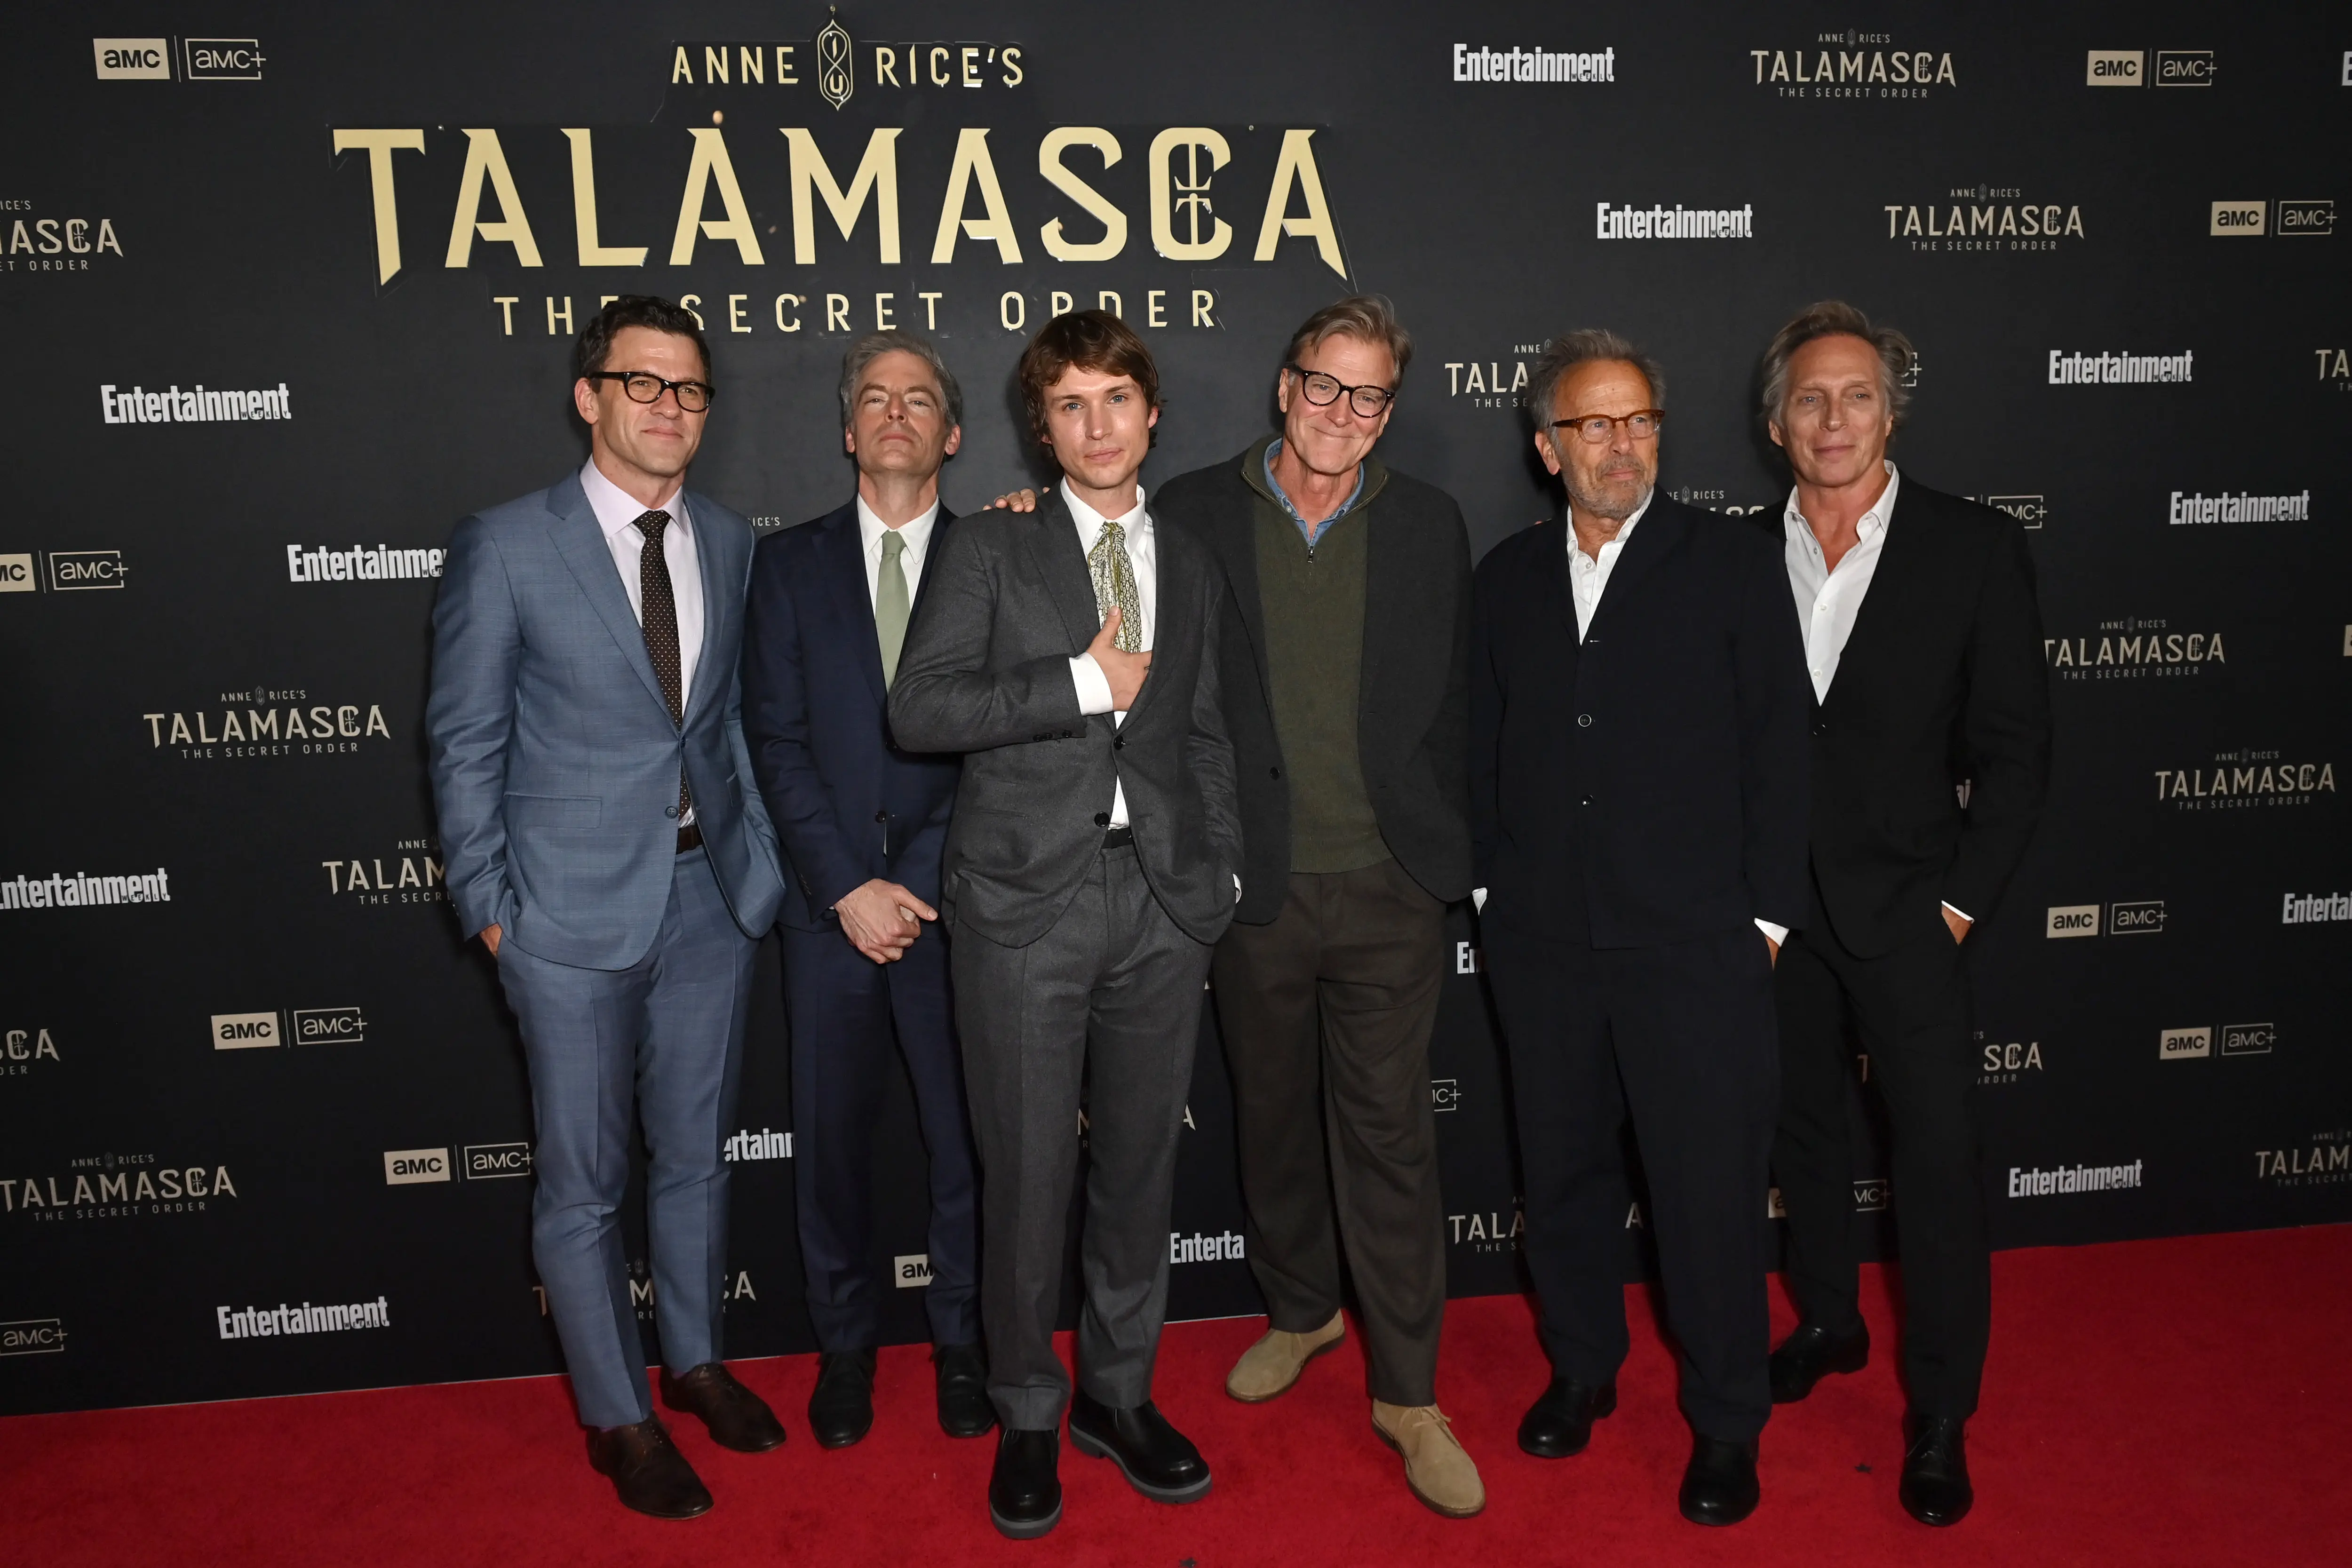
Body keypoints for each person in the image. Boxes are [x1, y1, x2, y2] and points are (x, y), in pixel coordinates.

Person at [427, 295, 788, 1520]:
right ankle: (618, 1416)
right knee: (584, 1181)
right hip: (564, 920)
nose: (670, 408)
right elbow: (465, 737)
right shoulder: (507, 543)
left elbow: (732, 721)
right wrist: (491, 907)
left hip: (709, 901)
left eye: (689, 389)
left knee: (692, 1155)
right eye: (644, 384)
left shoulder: (732, 541)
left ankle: (691, 1362)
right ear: (590, 396)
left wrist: (760, 873)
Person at [888, 310, 1243, 1540]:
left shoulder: (1190, 560)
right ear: (1042, 427)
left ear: (1152, 413)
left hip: (1160, 901)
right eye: (1071, 405)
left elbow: (1201, 733)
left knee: (1140, 1168)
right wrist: (1082, 681)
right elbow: (920, 708)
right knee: (1029, 1173)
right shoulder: (991, 548)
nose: (1098, 425)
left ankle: (1118, 1392)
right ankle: (1029, 1410)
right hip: (1023, 904)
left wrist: (1219, 878)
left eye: (1118, 400)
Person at [1470, 329, 1810, 1527]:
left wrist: (1763, 919)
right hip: (1544, 946)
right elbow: (1478, 747)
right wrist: (1486, 896)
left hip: (1698, 947)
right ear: (1546, 448)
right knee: (1558, 1175)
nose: (1622, 445)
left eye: (1639, 422)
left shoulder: (1727, 560)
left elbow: (1782, 746)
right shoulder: (1504, 578)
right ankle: (1582, 1368)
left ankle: (1726, 1419)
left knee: (1707, 1193)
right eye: (1594, 426)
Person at [1152, 295, 1483, 1517]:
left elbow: (1455, 702)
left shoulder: (1428, 523)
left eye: (1372, 395)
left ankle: (1409, 1393)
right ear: (1285, 387)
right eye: (1325, 386)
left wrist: (1449, 854)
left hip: (1394, 886)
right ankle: (1302, 1310)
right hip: (1258, 884)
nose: (1346, 414)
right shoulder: (1190, 510)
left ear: (1390, 406)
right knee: (1274, 1115)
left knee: (1389, 1134)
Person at [1757, 301, 2051, 1528]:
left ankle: (1941, 1411)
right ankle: (1828, 1318)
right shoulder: (1732, 553)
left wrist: (1958, 908)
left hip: (1911, 915)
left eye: (1858, 396)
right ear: (1776, 422)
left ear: (1893, 409)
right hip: (1777, 918)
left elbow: (2019, 752)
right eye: (1812, 399)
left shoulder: (1973, 548)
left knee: (1935, 1166)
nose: (1835, 419)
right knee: (1804, 1139)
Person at [740, 331, 989, 1450]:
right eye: (875, 399)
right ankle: (844, 1349)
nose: (896, 413)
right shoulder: (783, 567)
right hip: (826, 909)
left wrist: (917, 883)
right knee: (829, 1148)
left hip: (958, 908)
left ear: (951, 433)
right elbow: (773, 741)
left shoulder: (1002, 561)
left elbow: (1008, 748)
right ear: (848, 431)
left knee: (966, 1143)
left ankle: (961, 1346)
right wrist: (847, 885)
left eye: (919, 399)